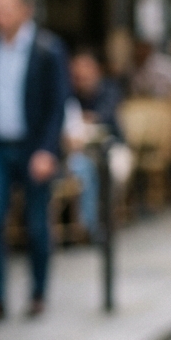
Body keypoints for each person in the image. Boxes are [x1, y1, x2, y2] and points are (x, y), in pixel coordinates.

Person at [0, 0, 70, 325]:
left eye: (5, 8)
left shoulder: (46, 49)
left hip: (32, 147)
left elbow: (58, 105)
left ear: (25, 11)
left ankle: (38, 292)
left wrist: (47, 150)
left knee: (36, 224)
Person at [63, 50, 123, 237]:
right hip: (79, 150)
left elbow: (104, 115)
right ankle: (89, 225)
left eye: (85, 71)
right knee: (84, 169)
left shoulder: (109, 89)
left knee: (115, 169)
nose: (81, 76)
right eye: (77, 73)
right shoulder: (69, 93)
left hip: (111, 146)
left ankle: (105, 215)